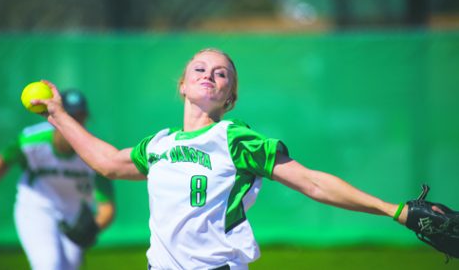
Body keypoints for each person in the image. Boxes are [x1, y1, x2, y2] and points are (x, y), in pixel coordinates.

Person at [34, 48, 409, 270]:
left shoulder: (233, 138)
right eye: (200, 69)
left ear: (229, 97)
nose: (209, 75)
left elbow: (311, 181)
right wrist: (57, 114)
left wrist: (392, 209)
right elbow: (109, 162)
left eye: (221, 74)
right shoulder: (159, 144)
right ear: (182, 84)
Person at [0, 89, 116, 270]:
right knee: (49, 264)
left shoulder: (94, 153)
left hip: (73, 215)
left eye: (80, 115)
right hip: (36, 207)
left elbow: (106, 207)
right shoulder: (32, 141)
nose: (76, 121)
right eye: (70, 115)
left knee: (69, 266)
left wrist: (93, 228)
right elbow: (1, 163)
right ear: (58, 116)